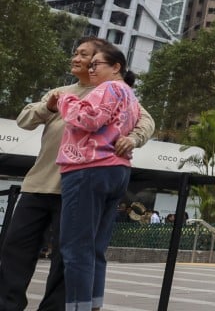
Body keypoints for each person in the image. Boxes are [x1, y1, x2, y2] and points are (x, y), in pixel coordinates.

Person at [0, 38, 153, 311]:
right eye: (77, 54)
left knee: (67, 256)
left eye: (87, 56)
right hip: (39, 183)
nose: (78, 59)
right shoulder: (61, 92)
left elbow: (145, 120)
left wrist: (133, 138)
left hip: (77, 184)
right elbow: (24, 119)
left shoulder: (111, 91)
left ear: (107, 63)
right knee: (15, 248)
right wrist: (49, 106)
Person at [56, 43, 141, 311]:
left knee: (75, 246)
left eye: (96, 65)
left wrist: (63, 99)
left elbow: (89, 118)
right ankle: (92, 304)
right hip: (116, 169)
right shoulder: (131, 96)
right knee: (95, 247)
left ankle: (77, 306)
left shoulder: (108, 88)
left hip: (88, 167)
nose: (91, 69)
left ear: (116, 67)